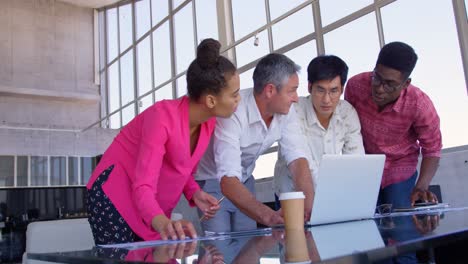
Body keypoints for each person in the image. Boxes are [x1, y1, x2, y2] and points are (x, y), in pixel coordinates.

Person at [86, 38, 241, 244]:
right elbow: (142, 185)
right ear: (211, 101)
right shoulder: (161, 118)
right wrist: (161, 222)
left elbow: (180, 165)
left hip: (146, 202)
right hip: (113, 194)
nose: (238, 100)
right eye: (235, 95)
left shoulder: (208, 123)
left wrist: (194, 193)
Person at [195, 53, 314, 232]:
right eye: (292, 90)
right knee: (218, 250)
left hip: (244, 179)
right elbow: (227, 179)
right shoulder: (233, 111)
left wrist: (310, 207)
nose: (296, 98)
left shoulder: (286, 112)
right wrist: (269, 215)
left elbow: (298, 159)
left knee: (249, 245)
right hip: (212, 181)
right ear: (270, 90)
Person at [344, 41, 442, 209]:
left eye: (389, 84)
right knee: (363, 218)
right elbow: (346, 128)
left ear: (405, 84)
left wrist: (421, 187)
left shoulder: (420, 105)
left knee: (401, 224)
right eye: (377, 78)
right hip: (365, 165)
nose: (380, 89)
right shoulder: (355, 86)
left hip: (400, 165)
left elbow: (432, 149)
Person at [274, 55, 364, 201]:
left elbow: (356, 161)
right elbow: (305, 165)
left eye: (334, 91)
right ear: (309, 87)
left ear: (342, 89)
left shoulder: (347, 113)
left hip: (331, 194)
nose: (326, 100)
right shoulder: (293, 111)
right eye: (320, 90)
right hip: (292, 194)